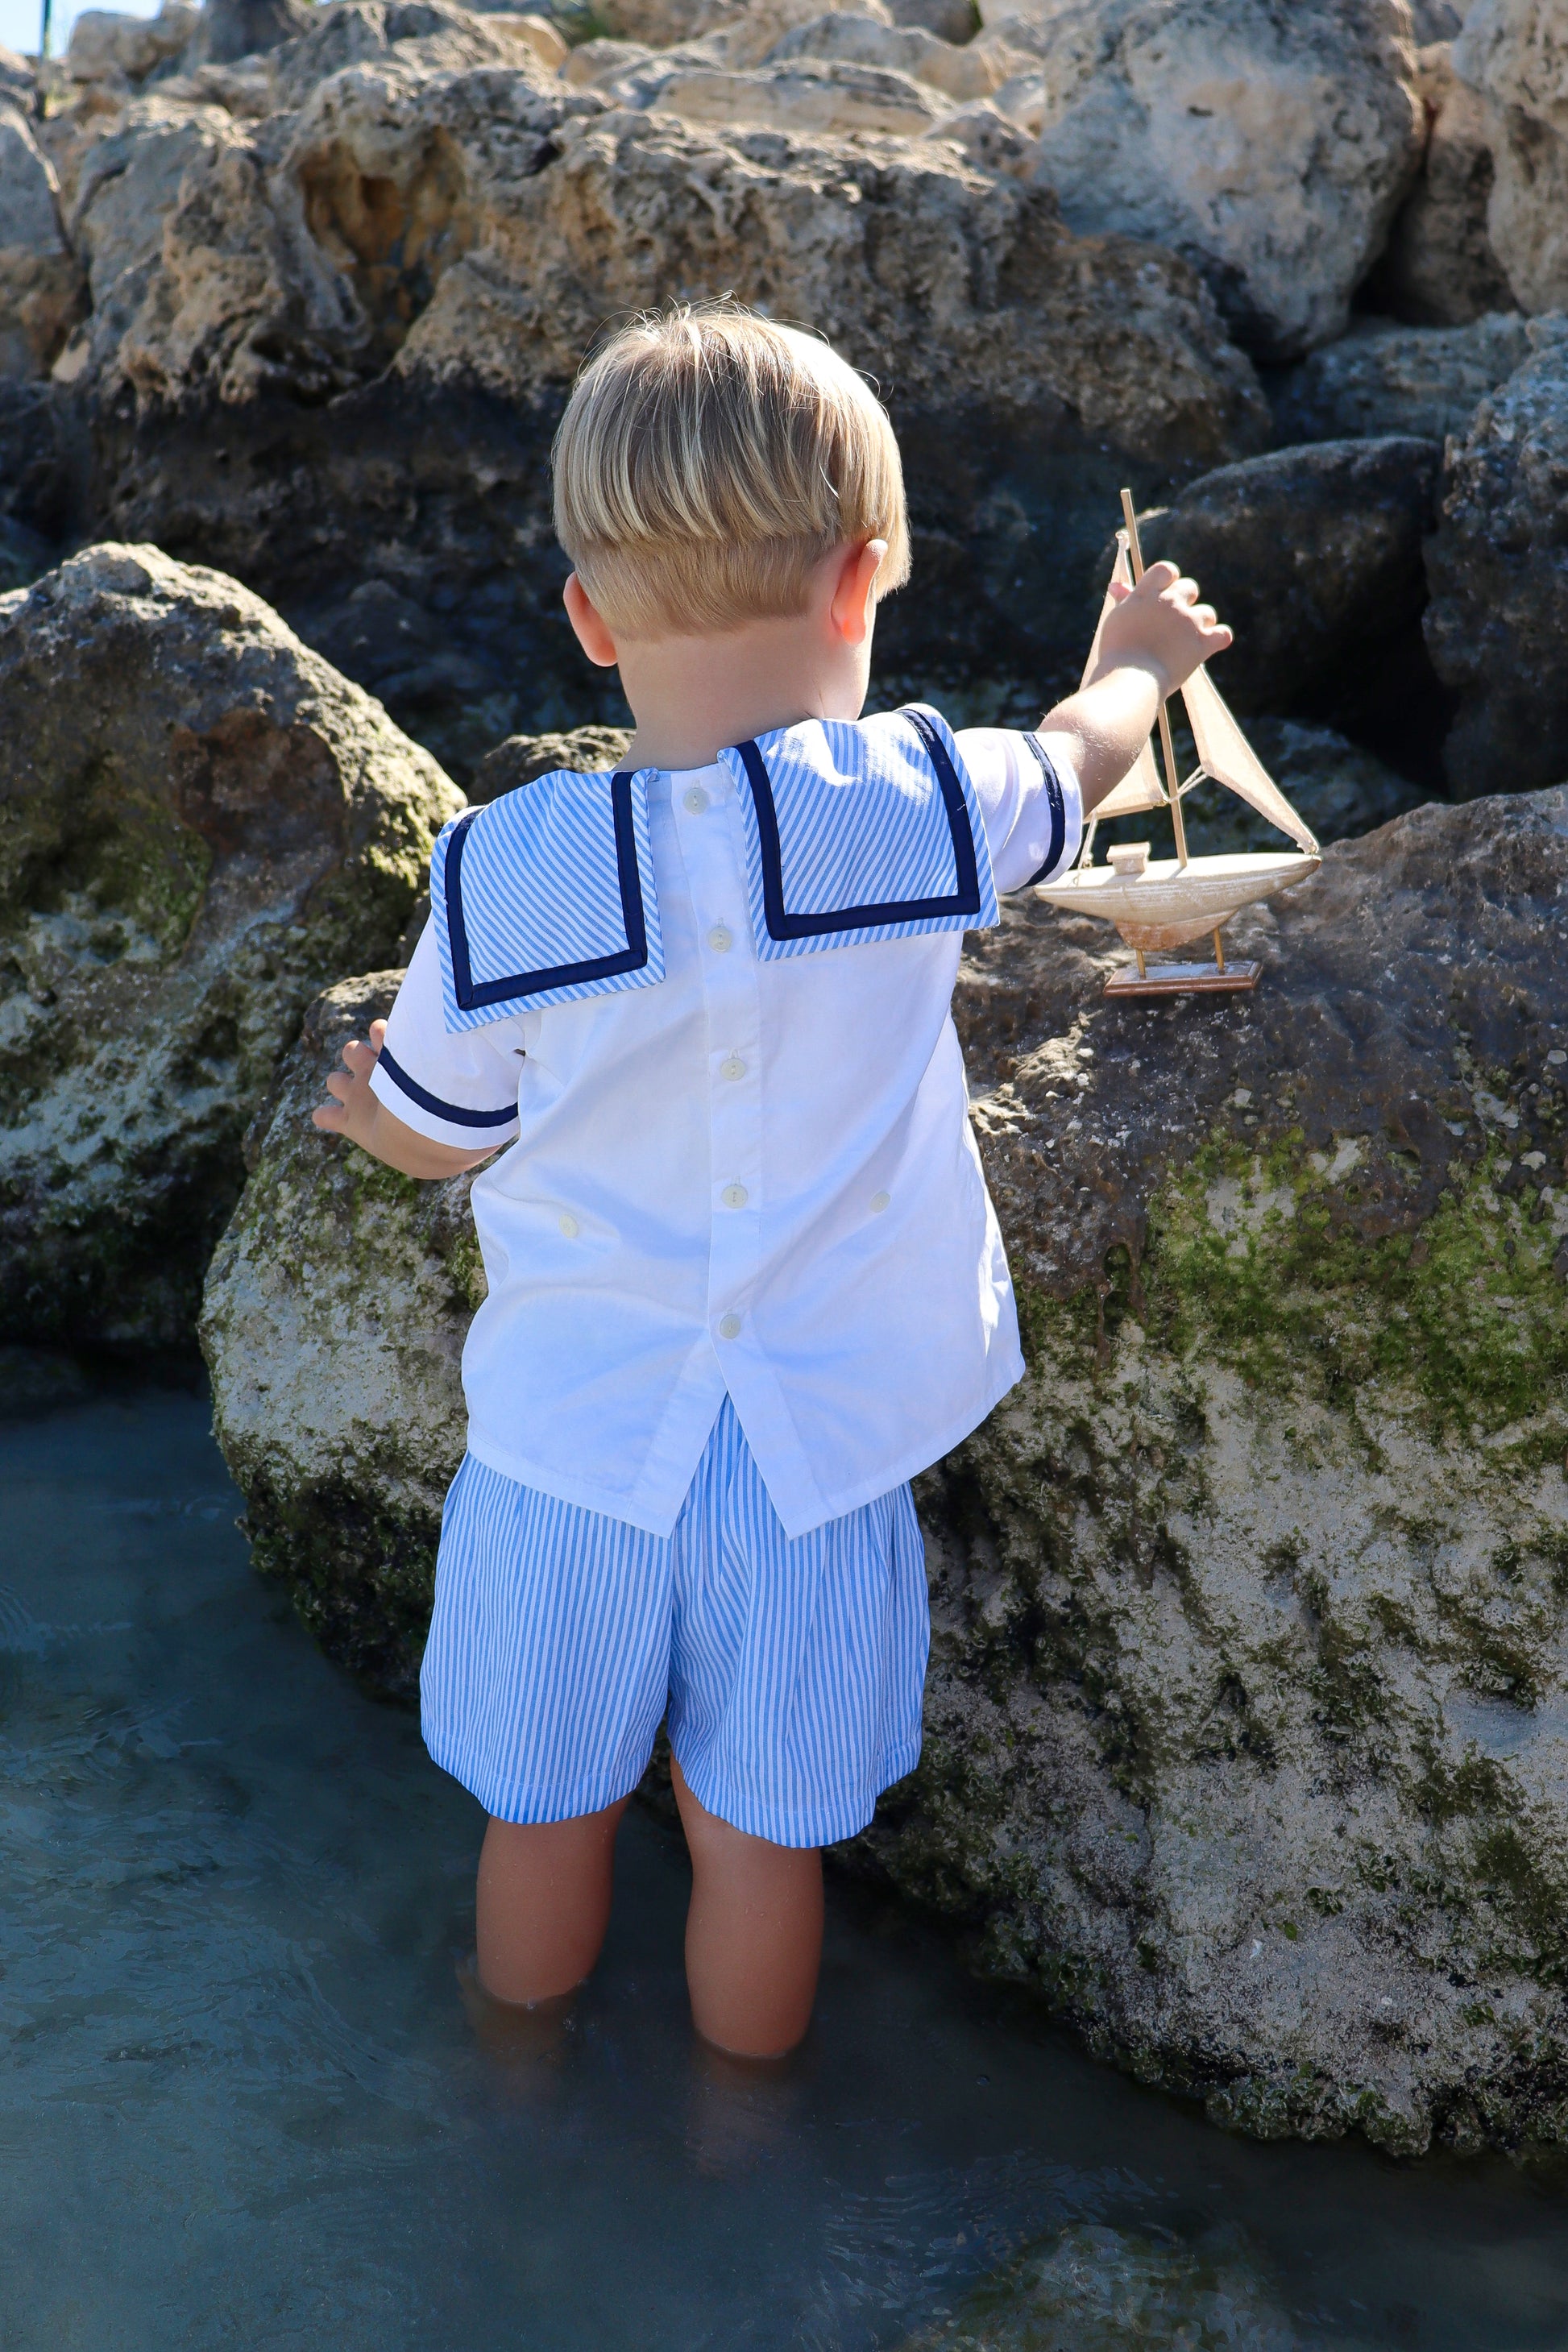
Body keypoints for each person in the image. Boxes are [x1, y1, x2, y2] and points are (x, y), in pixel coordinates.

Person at [312, 303, 1231, 2061]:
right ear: (861, 581)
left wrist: (377, 1126)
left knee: (541, 1818)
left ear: (589, 621)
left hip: (575, 1446)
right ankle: (743, 2145)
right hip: (814, 1448)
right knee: (756, 1846)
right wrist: (1138, 655)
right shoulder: (918, 803)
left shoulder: (506, 868)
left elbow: (451, 1123)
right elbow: (1081, 762)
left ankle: (516, 2092)